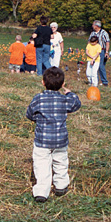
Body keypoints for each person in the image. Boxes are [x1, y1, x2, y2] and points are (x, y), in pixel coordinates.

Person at [26, 67, 81, 203]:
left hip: (42, 141)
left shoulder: (39, 98)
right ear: (62, 84)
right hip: (60, 140)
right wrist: (70, 93)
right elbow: (77, 104)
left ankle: (42, 192)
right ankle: (61, 185)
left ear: (43, 82)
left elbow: (29, 113)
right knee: (61, 162)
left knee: (41, 165)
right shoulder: (64, 100)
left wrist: (36, 119)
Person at [89, 20, 110, 86]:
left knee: (101, 66)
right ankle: (95, 81)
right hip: (93, 51)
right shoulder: (92, 33)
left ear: (96, 26)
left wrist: (106, 52)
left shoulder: (104, 33)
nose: (92, 26)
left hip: (101, 51)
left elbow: (107, 42)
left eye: (93, 25)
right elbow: (89, 42)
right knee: (93, 66)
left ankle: (104, 82)